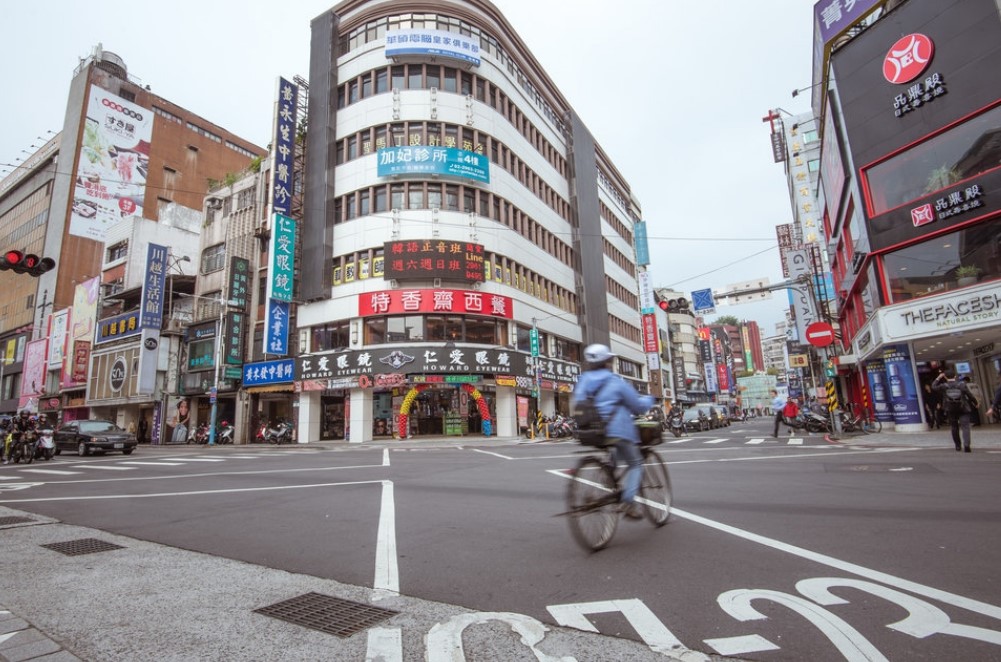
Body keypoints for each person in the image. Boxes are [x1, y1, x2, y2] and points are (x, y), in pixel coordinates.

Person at [571, 343, 654, 520]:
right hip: (618, 431)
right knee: (635, 463)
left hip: (592, 432)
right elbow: (637, 407)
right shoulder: (615, 381)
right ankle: (628, 501)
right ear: (607, 361)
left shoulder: (583, 380)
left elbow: (578, 403)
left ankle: (608, 479)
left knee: (613, 456)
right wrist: (649, 399)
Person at [933, 369, 978, 452]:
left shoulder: (944, 386)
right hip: (963, 408)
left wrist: (938, 378)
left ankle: (957, 446)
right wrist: (975, 402)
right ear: (955, 376)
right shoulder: (961, 384)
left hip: (950, 409)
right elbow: (969, 395)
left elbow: (934, 387)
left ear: (945, 377)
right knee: (965, 427)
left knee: (954, 427)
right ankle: (967, 445)